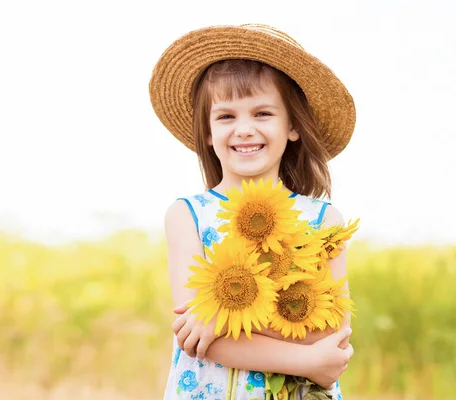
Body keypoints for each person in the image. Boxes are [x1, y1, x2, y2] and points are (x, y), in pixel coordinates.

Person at [149, 24, 356, 400]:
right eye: (226, 117)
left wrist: (220, 315)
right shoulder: (187, 216)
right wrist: (308, 362)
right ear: (208, 132)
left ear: (292, 125)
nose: (244, 129)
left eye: (262, 113)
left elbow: (331, 332)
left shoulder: (323, 221)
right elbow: (196, 337)